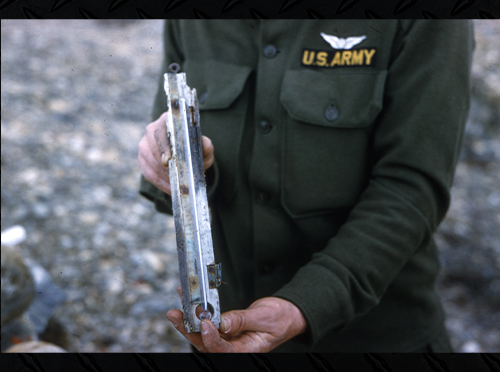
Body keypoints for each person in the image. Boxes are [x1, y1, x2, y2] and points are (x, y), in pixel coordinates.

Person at [138, 20, 474, 353]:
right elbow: (170, 142)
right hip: (224, 340)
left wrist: (305, 305)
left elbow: (412, 188)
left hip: (373, 340)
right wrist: (177, 166)